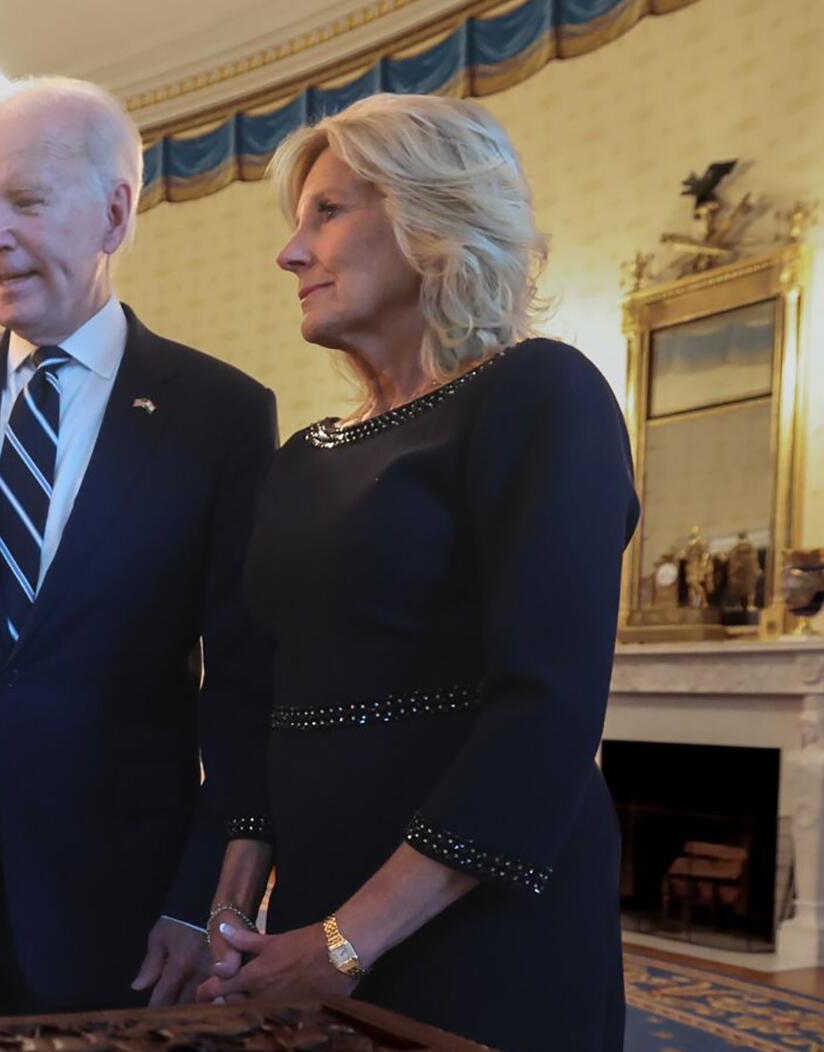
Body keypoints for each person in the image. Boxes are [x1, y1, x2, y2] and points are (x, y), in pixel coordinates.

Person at [195, 94, 637, 1052]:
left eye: (327, 213)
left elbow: (547, 707)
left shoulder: (541, 393)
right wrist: (230, 907)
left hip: (487, 923)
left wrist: (349, 941)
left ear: (432, 218)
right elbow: (255, 693)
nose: (291, 253)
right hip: (316, 910)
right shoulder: (302, 456)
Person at [0, 77, 277, 1020]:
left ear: (115, 214)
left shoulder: (222, 417)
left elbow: (246, 688)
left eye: (27, 202)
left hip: (126, 922)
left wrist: (200, 901)